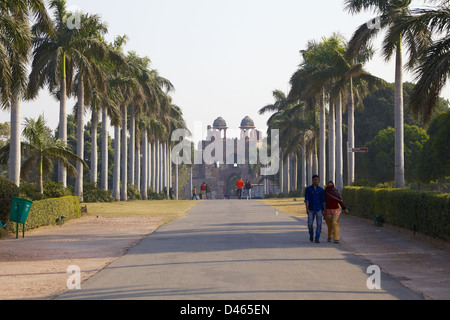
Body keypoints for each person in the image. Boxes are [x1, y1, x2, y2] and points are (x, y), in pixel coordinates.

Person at [304, 175, 326, 243]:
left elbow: (323, 201)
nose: (316, 181)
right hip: (311, 209)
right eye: (315, 179)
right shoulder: (308, 189)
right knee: (310, 224)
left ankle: (317, 238)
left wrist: (324, 210)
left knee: (319, 224)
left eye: (317, 180)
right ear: (312, 180)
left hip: (319, 209)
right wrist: (307, 209)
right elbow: (306, 200)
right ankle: (311, 235)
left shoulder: (321, 189)